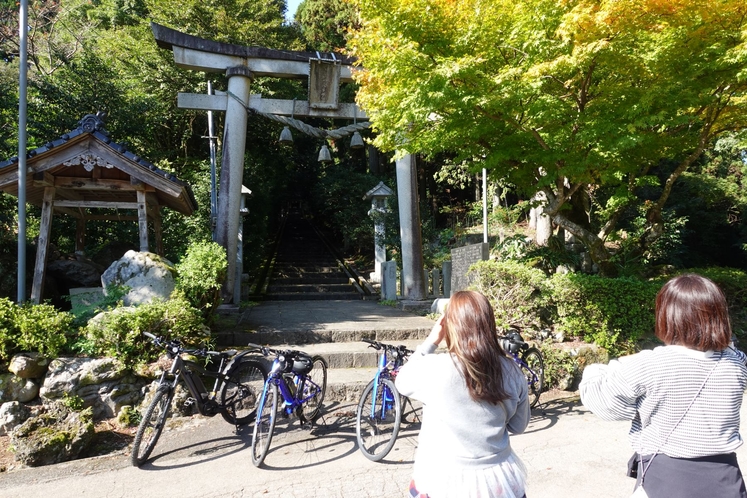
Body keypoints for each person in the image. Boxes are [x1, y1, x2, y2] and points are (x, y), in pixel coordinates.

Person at [580, 273, 747, 498]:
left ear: (669, 316)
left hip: (669, 480)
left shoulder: (650, 364)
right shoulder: (735, 362)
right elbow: (724, 352)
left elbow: (607, 406)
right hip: (726, 479)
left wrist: (595, 371)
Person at [395, 290, 530, 498]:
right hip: (499, 479)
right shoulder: (512, 370)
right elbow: (518, 426)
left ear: (450, 327)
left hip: (442, 479)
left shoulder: (435, 369)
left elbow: (402, 382)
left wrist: (431, 342)